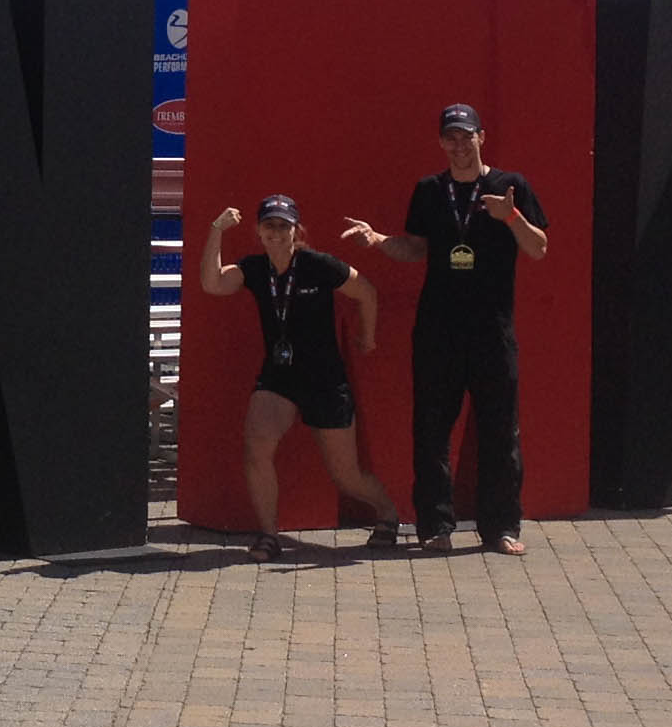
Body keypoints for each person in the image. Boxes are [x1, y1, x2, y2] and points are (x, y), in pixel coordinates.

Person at [341, 103, 549, 556]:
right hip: (438, 329)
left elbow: (539, 248)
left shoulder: (509, 187)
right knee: (432, 429)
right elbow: (415, 248)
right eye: (450, 138)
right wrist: (378, 241)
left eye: (466, 136)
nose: (459, 145)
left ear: (482, 137)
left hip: (492, 330)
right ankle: (435, 525)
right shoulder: (430, 191)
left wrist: (510, 218)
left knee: (500, 430)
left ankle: (502, 528)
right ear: (441, 142)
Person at [200, 194, 404, 561]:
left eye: (283, 225)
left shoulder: (317, 265)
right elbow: (213, 283)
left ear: (296, 230)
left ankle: (388, 512)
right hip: (279, 377)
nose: (276, 233)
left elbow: (367, 292)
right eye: (269, 225)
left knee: (347, 476)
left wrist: (368, 337)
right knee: (256, 445)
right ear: (259, 231)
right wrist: (216, 230)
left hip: (326, 379)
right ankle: (268, 535)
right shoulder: (255, 268)